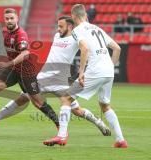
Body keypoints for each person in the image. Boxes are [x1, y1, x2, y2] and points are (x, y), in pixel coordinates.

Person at [0, 16, 111, 143]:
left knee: (76, 110)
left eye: (61, 26)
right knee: (23, 97)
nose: (58, 29)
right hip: (44, 77)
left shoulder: (76, 38)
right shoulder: (57, 36)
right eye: (58, 26)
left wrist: (83, 70)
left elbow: (85, 48)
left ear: (70, 27)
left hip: (60, 81)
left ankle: (98, 122)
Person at [44, 4, 128, 148]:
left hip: (95, 70)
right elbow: (117, 48)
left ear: (74, 17)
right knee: (105, 106)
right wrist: (110, 67)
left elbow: (85, 49)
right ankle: (120, 140)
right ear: (86, 15)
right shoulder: (98, 28)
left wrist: (81, 73)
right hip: (108, 71)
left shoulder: (77, 30)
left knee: (66, 98)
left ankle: (61, 136)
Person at [0, 8, 60, 132]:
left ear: (17, 18)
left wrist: (9, 63)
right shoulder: (5, 32)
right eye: (7, 19)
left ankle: (59, 124)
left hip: (26, 71)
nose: (9, 21)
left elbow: (25, 53)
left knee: (38, 102)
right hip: (13, 69)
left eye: (12, 18)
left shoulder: (21, 35)